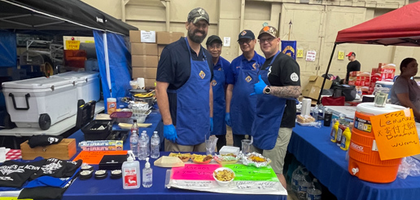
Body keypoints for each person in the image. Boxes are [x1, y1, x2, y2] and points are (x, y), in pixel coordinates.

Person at [155, 7, 214, 152]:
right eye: (197, 24)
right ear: (187, 25)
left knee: (201, 172)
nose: (200, 29)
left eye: (204, 26)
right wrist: (168, 123)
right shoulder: (172, 52)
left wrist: (210, 117)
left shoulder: (208, 56)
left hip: (202, 130)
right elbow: (160, 88)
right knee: (179, 173)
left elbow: (209, 88)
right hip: (180, 131)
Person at [251, 26, 301, 188]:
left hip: (278, 125)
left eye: (270, 39)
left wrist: (267, 89)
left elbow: (296, 91)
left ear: (278, 41)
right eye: (263, 40)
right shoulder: (265, 63)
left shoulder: (286, 62)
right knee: (258, 168)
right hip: (263, 122)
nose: (266, 42)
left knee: (274, 172)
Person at [225, 30, 265, 148]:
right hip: (239, 113)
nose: (244, 44)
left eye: (247, 41)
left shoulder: (263, 62)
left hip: (256, 111)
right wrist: (228, 112)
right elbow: (229, 89)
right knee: (237, 147)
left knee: (255, 148)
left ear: (254, 42)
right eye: (241, 41)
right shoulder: (235, 63)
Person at [206, 35, 231, 151]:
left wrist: (227, 111)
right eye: (212, 47)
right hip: (204, 109)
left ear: (221, 47)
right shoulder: (203, 63)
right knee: (204, 139)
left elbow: (229, 89)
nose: (215, 49)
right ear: (207, 48)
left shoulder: (226, 65)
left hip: (220, 109)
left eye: (218, 46)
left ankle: (223, 164)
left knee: (221, 140)